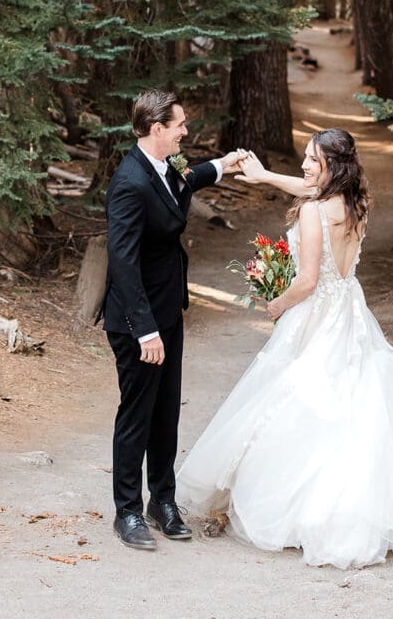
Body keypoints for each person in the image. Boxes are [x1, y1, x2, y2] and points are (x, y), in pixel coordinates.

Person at [176, 128, 393, 569]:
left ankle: (298, 512)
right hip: (349, 309)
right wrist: (264, 176)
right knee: (351, 408)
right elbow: (308, 190)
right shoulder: (354, 203)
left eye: (312, 160)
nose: (304, 166)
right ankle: (353, 511)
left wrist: (276, 304)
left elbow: (306, 282)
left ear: (331, 167)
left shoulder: (312, 213)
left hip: (315, 315)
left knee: (294, 403)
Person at [101, 89, 246, 551]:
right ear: (157, 129)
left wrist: (226, 164)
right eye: (180, 125)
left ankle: (162, 500)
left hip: (168, 309)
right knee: (137, 414)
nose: (186, 131)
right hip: (136, 321)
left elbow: (188, 178)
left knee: (166, 411)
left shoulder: (165, 166)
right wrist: (145, 330)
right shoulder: (128, 183)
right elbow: (122, 263)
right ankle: (127, 510)